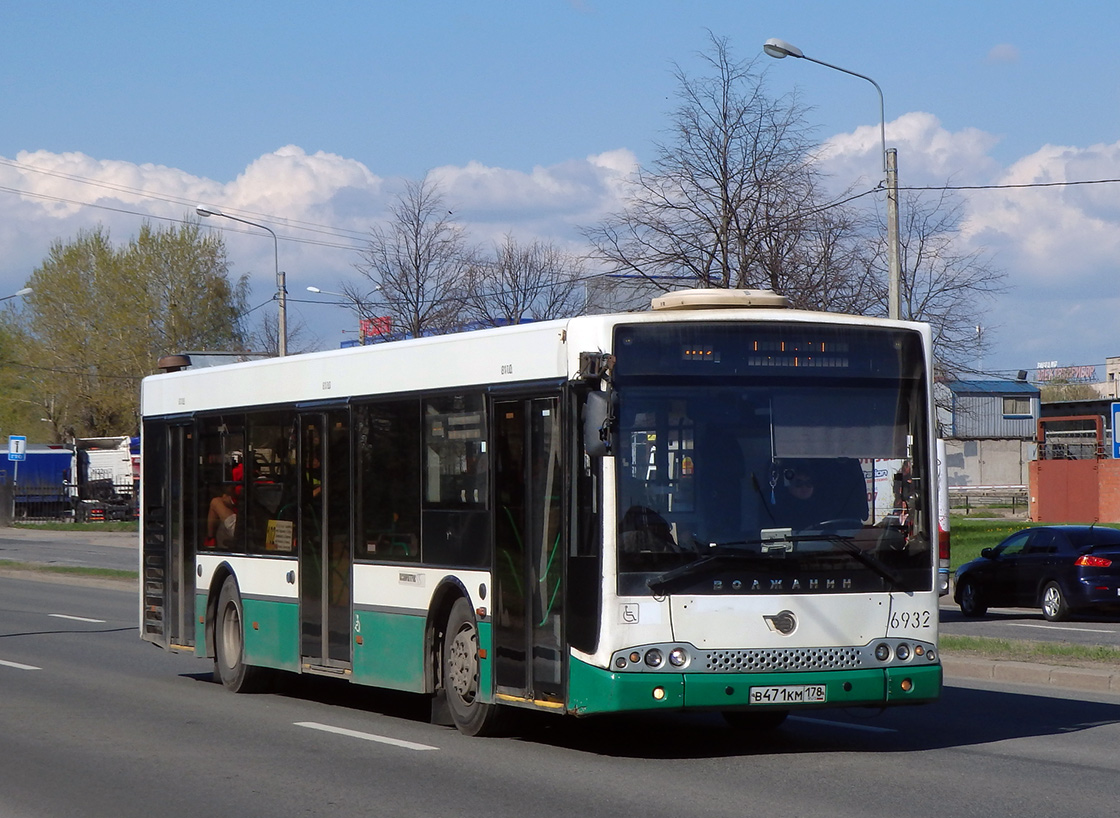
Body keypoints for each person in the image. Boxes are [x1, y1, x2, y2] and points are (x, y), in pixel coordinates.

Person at [206, 482, 238, 548]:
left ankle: (210, 540)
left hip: (241, 528)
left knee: (215, 502)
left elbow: (227, 499)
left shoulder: (243, 485)